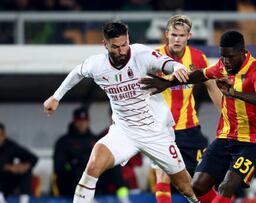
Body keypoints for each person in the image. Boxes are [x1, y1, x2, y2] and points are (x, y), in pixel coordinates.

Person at [43, 21, 201, 203]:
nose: (122, 51)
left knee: (185, 187)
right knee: (93, 165)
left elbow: (166, 63)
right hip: (124, 132)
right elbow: (77, 72)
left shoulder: (141, 54)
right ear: (105, 44)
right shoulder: (97, 65)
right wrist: (56, 97)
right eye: (115, 47)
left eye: (124, 44)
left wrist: (178, 67)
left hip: (155, 133)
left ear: (128, 40)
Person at [141, 30, 256, 203]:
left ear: (243, 52)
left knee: (226, 185)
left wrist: (234, 93)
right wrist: (168, 82)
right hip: (226, 136)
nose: (226, 62)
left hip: (253, 140)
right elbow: (199, 75)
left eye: (230, 57)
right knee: (197, 186)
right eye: (223, 56)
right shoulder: (222, 66)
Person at [153, 15, 222, 203]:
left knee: (198, 184)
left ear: (188, 36)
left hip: (190, 130)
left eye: (181, 35)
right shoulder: (153, 58)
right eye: (173, 34)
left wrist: (230, 119)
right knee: (162, 175)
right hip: (161, 130)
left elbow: (213, 89)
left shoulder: (198, 58)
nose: (177, 39)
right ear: (166, 34)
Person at [0, 122, 38, 203]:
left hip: (6, 181)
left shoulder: (9, 145)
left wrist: (24, 166)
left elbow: (32, 157)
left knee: (26, 170)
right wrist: (8, 167)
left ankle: (24, 200)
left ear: (4, 135)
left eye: (1, 135)